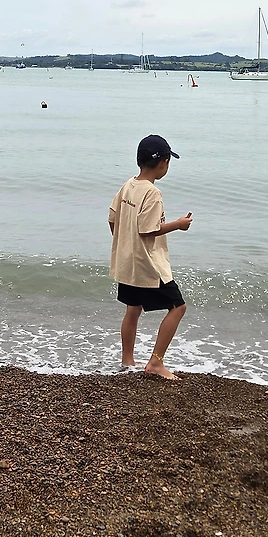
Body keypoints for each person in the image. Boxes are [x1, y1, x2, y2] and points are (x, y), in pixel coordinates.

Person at [108, 135, 193, 380]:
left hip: (128, 262)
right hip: (148, 265)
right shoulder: (152, 193)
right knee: (178, 307)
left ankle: (127, 361)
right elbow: (148, 230)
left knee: (133, 308)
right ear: (164, 163)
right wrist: (178, 224)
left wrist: (125, 244)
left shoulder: (128, 185)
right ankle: (155, 363)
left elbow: (112, 218)